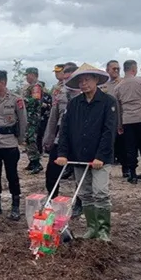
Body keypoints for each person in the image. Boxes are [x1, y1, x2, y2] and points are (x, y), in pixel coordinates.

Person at [55, 64, 117, 241]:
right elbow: (65, 130)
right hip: (78, 157)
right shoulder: (74, 104)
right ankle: (92, 227)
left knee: (100, 192)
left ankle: (104, 230)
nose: (84, 84)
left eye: (87, 80)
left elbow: (108, 131)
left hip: (100, 158)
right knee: (85, 193)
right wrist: (63, 153)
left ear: (96, 80)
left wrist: (100, 156)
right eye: (80, 81)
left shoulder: (108, 102)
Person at [0, 70, 27, 220]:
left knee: (12, 175)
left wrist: (20, 140)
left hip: (9, 143)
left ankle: (15, 206)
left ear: (3, 82)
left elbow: (23, 121)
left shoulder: (16, 99)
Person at [43, 62, 82, 217]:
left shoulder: (86, 93)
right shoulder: (59, 93)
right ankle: (52, 198)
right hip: (61, 137)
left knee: (79, 174)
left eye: (69, 78)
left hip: (80, 139)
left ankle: (80, 202)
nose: (66, 81)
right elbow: (53, 118)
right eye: (64, 78)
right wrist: (48, 138)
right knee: (51, 171)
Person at [113, 59, 141, 183]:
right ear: (134, 69)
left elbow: (118, 109)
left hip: (127, 120)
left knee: (130, 148)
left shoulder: (118, 86)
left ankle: (133, 174)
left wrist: (119, 124)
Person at [23, 67, 44, 174]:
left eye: (28, 74)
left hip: (33, 117)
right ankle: (32, 161)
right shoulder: (30, 86)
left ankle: (36, 163)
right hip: (28, 116)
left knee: (31, 139)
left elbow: (35, 100)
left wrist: (23, 101)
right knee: (27, 139)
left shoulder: (36, 86)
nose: (26, 77)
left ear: (33, 74)